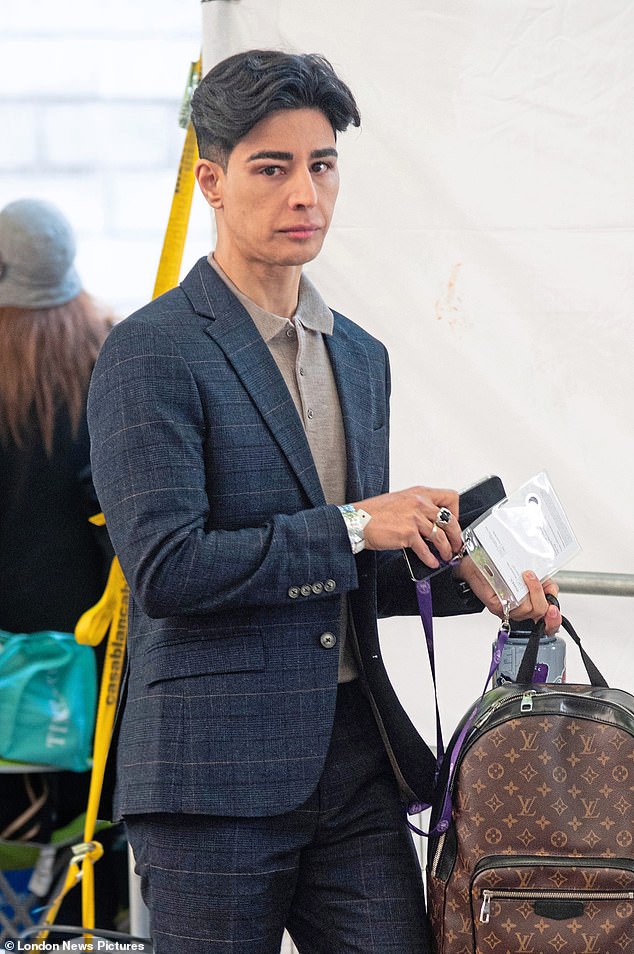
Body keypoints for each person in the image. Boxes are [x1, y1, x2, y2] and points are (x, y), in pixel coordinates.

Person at [87, 51, 561, 954]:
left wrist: (477, 578)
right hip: (211, 777)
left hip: (354, 760)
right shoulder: (150, 353)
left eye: (322, 164)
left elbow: (341, 576)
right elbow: (168, 569)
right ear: (212, 182)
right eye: (273, 168)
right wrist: (352, 522)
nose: (305, 192)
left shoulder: (360, 355)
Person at [0, 197, 124, 930]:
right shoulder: (111, 354)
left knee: (11, 864)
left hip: (8, 677)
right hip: (96, 669)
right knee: (90, 858)